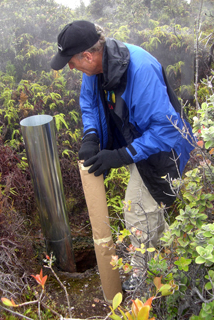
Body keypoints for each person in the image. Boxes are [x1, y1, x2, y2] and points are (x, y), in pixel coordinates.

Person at [50, 20, 194, 291]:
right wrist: (91, 136)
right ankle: (165, 256)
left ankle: (145, 276)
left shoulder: (140, 70)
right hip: (134, 144)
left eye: (71, 61)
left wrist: (121, 156)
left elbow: (166, 130)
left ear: (88, 55)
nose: (70, 67)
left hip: (163, 151)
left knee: (136, 211)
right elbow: (89, 103)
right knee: (149, 208)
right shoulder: (94, 70)